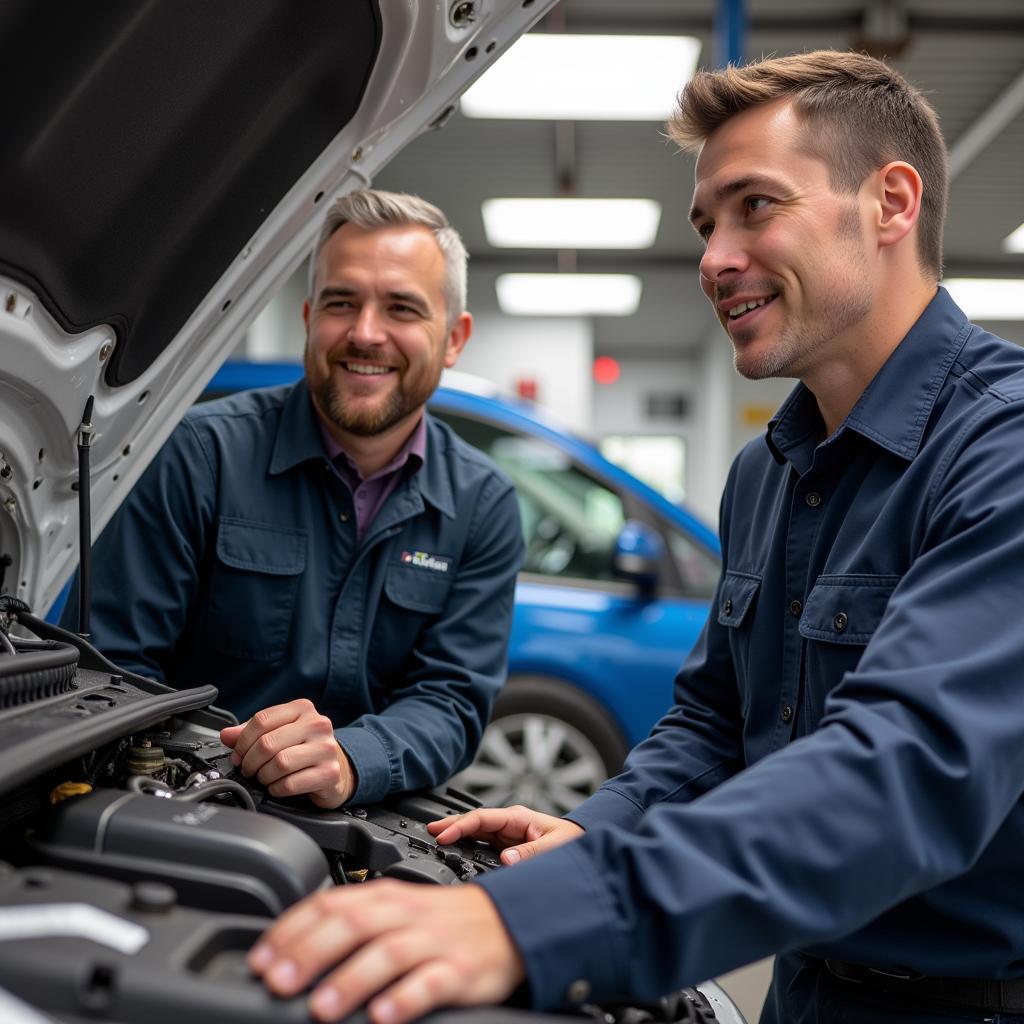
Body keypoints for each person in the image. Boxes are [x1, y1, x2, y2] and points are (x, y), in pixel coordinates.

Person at [246, 50, 1024, 1024]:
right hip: (802, 993)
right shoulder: (768, 470)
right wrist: (596, 830)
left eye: (754, 206)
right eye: (706, 224)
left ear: (890, 203)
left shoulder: (1003, 452)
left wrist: (534, 921)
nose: (712, 258)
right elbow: (711, 722)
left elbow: (905, 771)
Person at [61, 189, 524, 809]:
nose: (365, 333)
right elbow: (113, 672)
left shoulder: (483, 505)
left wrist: (353, 761)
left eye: (402, 309)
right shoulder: (199, 457)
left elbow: (452, 701)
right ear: (309, 317)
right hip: (193, 803)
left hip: (372, 818)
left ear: (453, 338)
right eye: (342, 302)